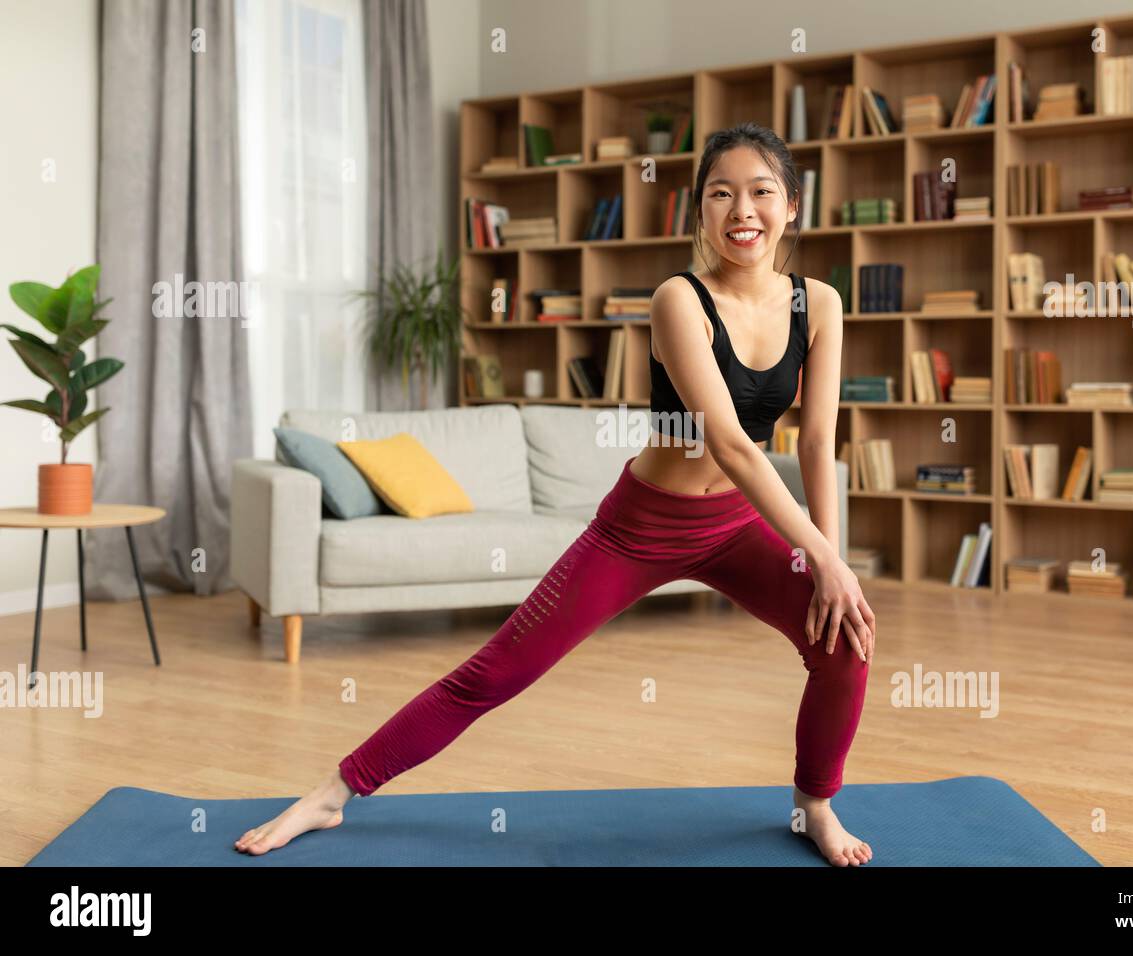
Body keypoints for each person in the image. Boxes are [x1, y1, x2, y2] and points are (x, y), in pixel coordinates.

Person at [235, 121, 877, 866]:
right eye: (721, 194)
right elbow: (731, 444)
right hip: (643, 524)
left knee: (847, 641)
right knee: (498, 670)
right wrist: (824, 558)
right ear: (699, 212)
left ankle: (815, 804)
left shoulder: (817, 305)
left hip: (736, 524)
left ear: (792, 205)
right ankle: (332, 795)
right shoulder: (678, 299)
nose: (743, 210)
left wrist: (832, 568)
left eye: (762, 192)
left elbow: (819, 442)